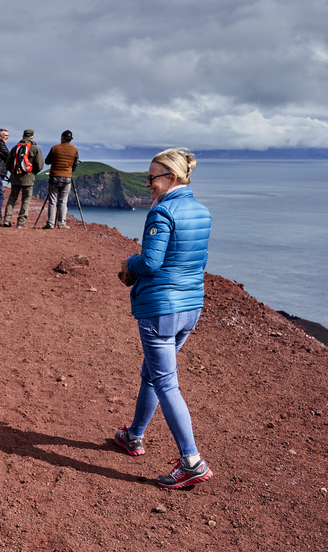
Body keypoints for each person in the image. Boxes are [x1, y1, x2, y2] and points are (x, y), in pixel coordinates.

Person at [112, 147, 214, 489]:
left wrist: (129, 263)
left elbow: (150, 264)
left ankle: (192, 461)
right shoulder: (201, 212)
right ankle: (134, 435)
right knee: (154, 374)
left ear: (171, 177)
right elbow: (196, 262)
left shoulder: (163, 213)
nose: (148, 183)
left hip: (161, 309)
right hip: (190, 307)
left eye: (153, 177)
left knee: (166, 381)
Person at [4, 129, 43, 228]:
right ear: (32, 136)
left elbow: (7, 164)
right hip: (28, 178)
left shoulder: (15, 148)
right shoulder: (35, 148)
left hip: (15, 177)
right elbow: (40, 165)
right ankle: (20, 222)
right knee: (26, 199)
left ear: (23, 136)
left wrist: (13, 172)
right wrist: (33, 172)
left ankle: (7, 219)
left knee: (12, 198)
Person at [43, 130, 79, 229]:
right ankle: (61, 223)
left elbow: (47, 161)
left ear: (62, 138)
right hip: (66, 178)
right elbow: (75, 165)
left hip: (54, 177)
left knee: (52, 201)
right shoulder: (74, 150)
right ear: (70, 139)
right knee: (63, 201)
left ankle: (50, 223)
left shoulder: (54, 148)